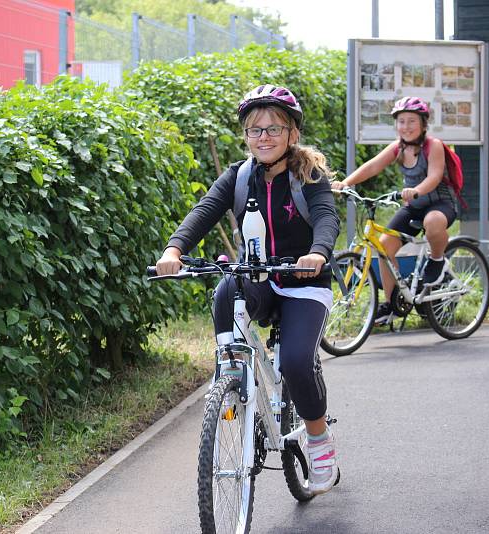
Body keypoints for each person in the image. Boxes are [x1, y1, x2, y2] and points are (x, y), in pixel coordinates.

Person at [155, 84, 340, 495]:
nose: (264, 137)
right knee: (225, 290)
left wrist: (317, 252)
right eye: (255, 130)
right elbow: (204, 211)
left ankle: (318, 439)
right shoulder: (239, 177)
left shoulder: (308, 175)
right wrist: (174, 248)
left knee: (294, 361)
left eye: (274, 128)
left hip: (303, 282)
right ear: (245, 136)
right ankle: (233, 375)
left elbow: (326, 216)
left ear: (292, 133)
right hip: (258, 278)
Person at [331, 96, 458, 325]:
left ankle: (437, 261)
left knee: (433, 222)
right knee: (384, 246)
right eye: (401, 121)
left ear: (423, 124)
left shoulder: (434, 146)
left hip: (440, 203)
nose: (406, 126)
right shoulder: (398, 148)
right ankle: (391, 304)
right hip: (414, 206)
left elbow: (435, 176)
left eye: (411, 121)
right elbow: (372, 166)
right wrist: (345, 183)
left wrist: (416, 190)